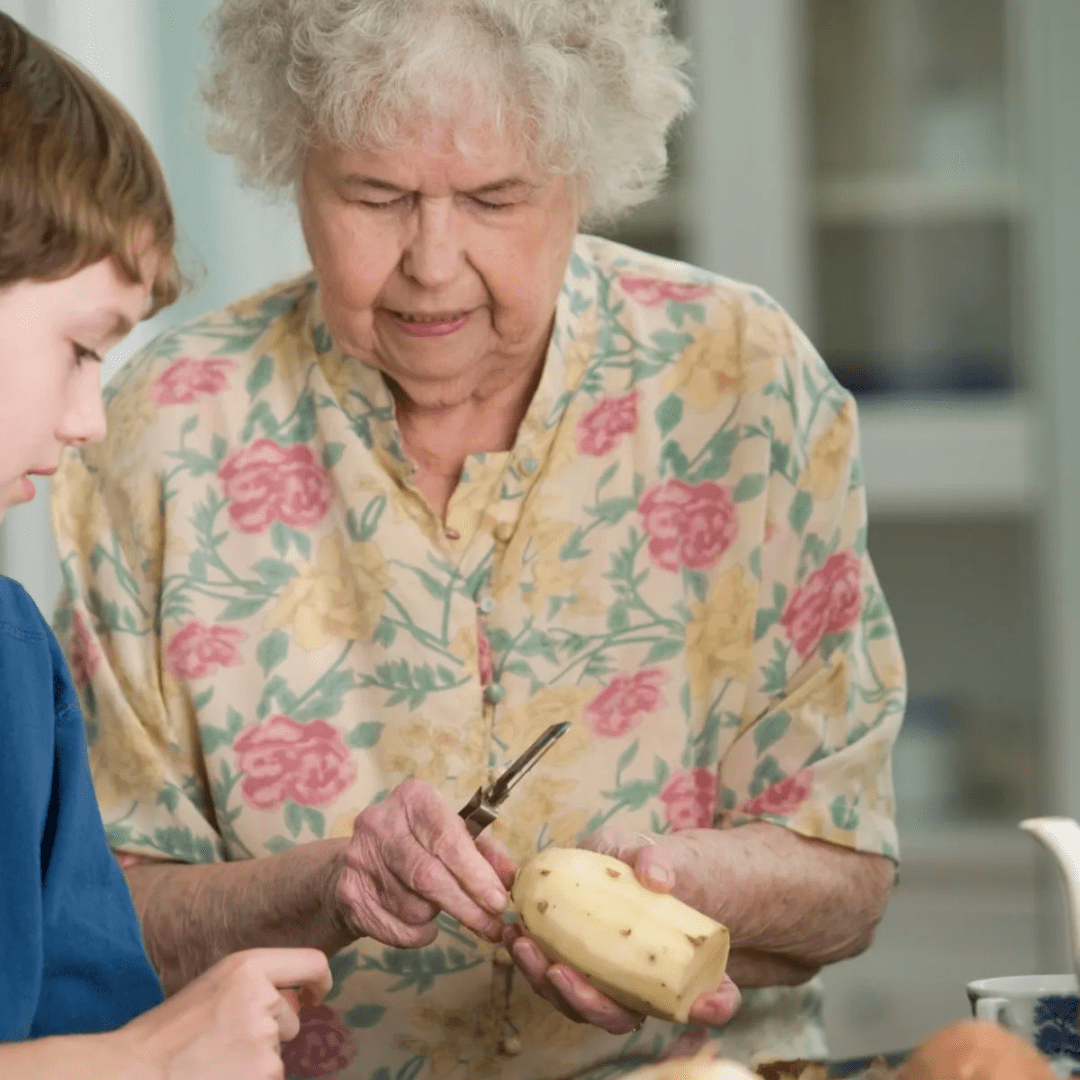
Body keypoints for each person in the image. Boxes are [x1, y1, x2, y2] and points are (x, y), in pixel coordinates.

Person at [50, 0, 906, 1075]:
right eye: (377, 195)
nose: (433, 261)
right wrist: (330, 886)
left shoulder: (744, 381)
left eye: (496, 198)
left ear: (584, 176)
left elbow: (852, 877)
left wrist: (679, 885)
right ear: (294, 170)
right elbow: (96, 926)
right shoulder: (157, 430)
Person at [0, 13, 332, 1079]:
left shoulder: (12, 657)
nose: (92, 420)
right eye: (82, 347)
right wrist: (141, 1061)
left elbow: (81, 1009)